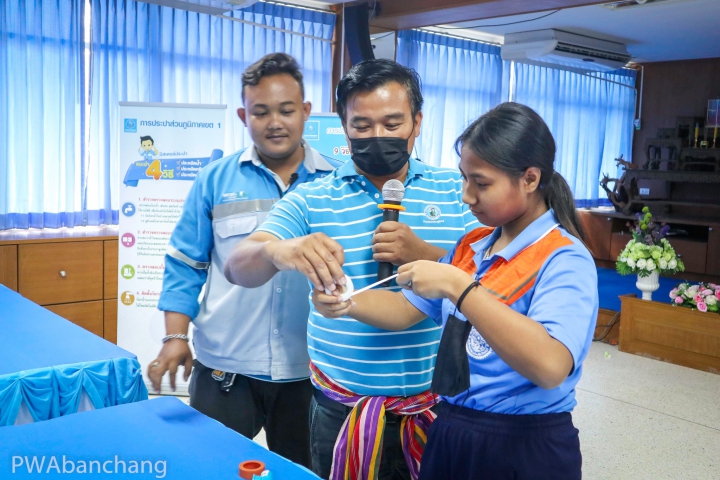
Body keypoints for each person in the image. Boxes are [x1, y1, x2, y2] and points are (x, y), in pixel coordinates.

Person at [313, 102, 598, 480]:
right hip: (451, 426)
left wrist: (457, 286)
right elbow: (404, 310)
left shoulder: (563, 257)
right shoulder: (472, 247)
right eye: (464, 179)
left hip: (521, 441)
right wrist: (345, 299)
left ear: (530, 179)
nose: (467, 196)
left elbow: (551, 367)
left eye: (481, 183)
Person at [224, 59, 479, 480]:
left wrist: (424, 252)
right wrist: (278, 251)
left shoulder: (458, 189)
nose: (377, 136)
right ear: (344, 127)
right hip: (341, 412)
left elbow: (491, 278)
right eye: (362, 125)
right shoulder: (311, 197)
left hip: (442, 406)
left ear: (417, 122)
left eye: (392, 123)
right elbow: (237, 266)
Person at [147, 53, 340, 468]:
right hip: (225, 368)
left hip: (311, 371)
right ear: (243, 115)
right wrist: (175, 336)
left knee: (304, 472)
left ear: (306, 111)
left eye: (287, 110)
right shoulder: (214, 180)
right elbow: (186, 264)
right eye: (261, 112)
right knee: (212, 468)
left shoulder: (338, 184)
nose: (275, 122)